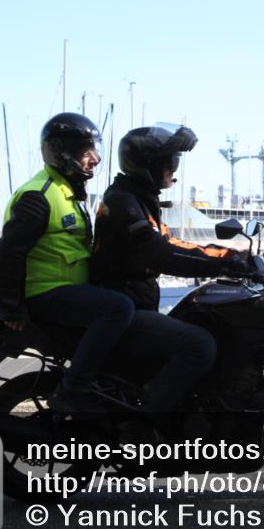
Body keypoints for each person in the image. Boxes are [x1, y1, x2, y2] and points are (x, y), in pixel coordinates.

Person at [91, 124, 248, 417]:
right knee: (199, 345)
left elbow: (169, 242)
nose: (173, 168)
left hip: (136, 303)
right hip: (126, 308)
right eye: (169, 161)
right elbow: (161, 253)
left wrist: (229, 254)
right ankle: (143, 425)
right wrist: (224, 261)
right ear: (147, 165)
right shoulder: (124, 201)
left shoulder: (137, 198)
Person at [0, 113, 135, 414]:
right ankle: (74, 389)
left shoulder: (66, 193)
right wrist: (11, 306)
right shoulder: (39, 195)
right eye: (86, 152)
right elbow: (7, 252)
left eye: (95, 151)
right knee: (117, 307)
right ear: (62, 152)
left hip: (65, 291)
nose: (94, 159)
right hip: (44, 294)